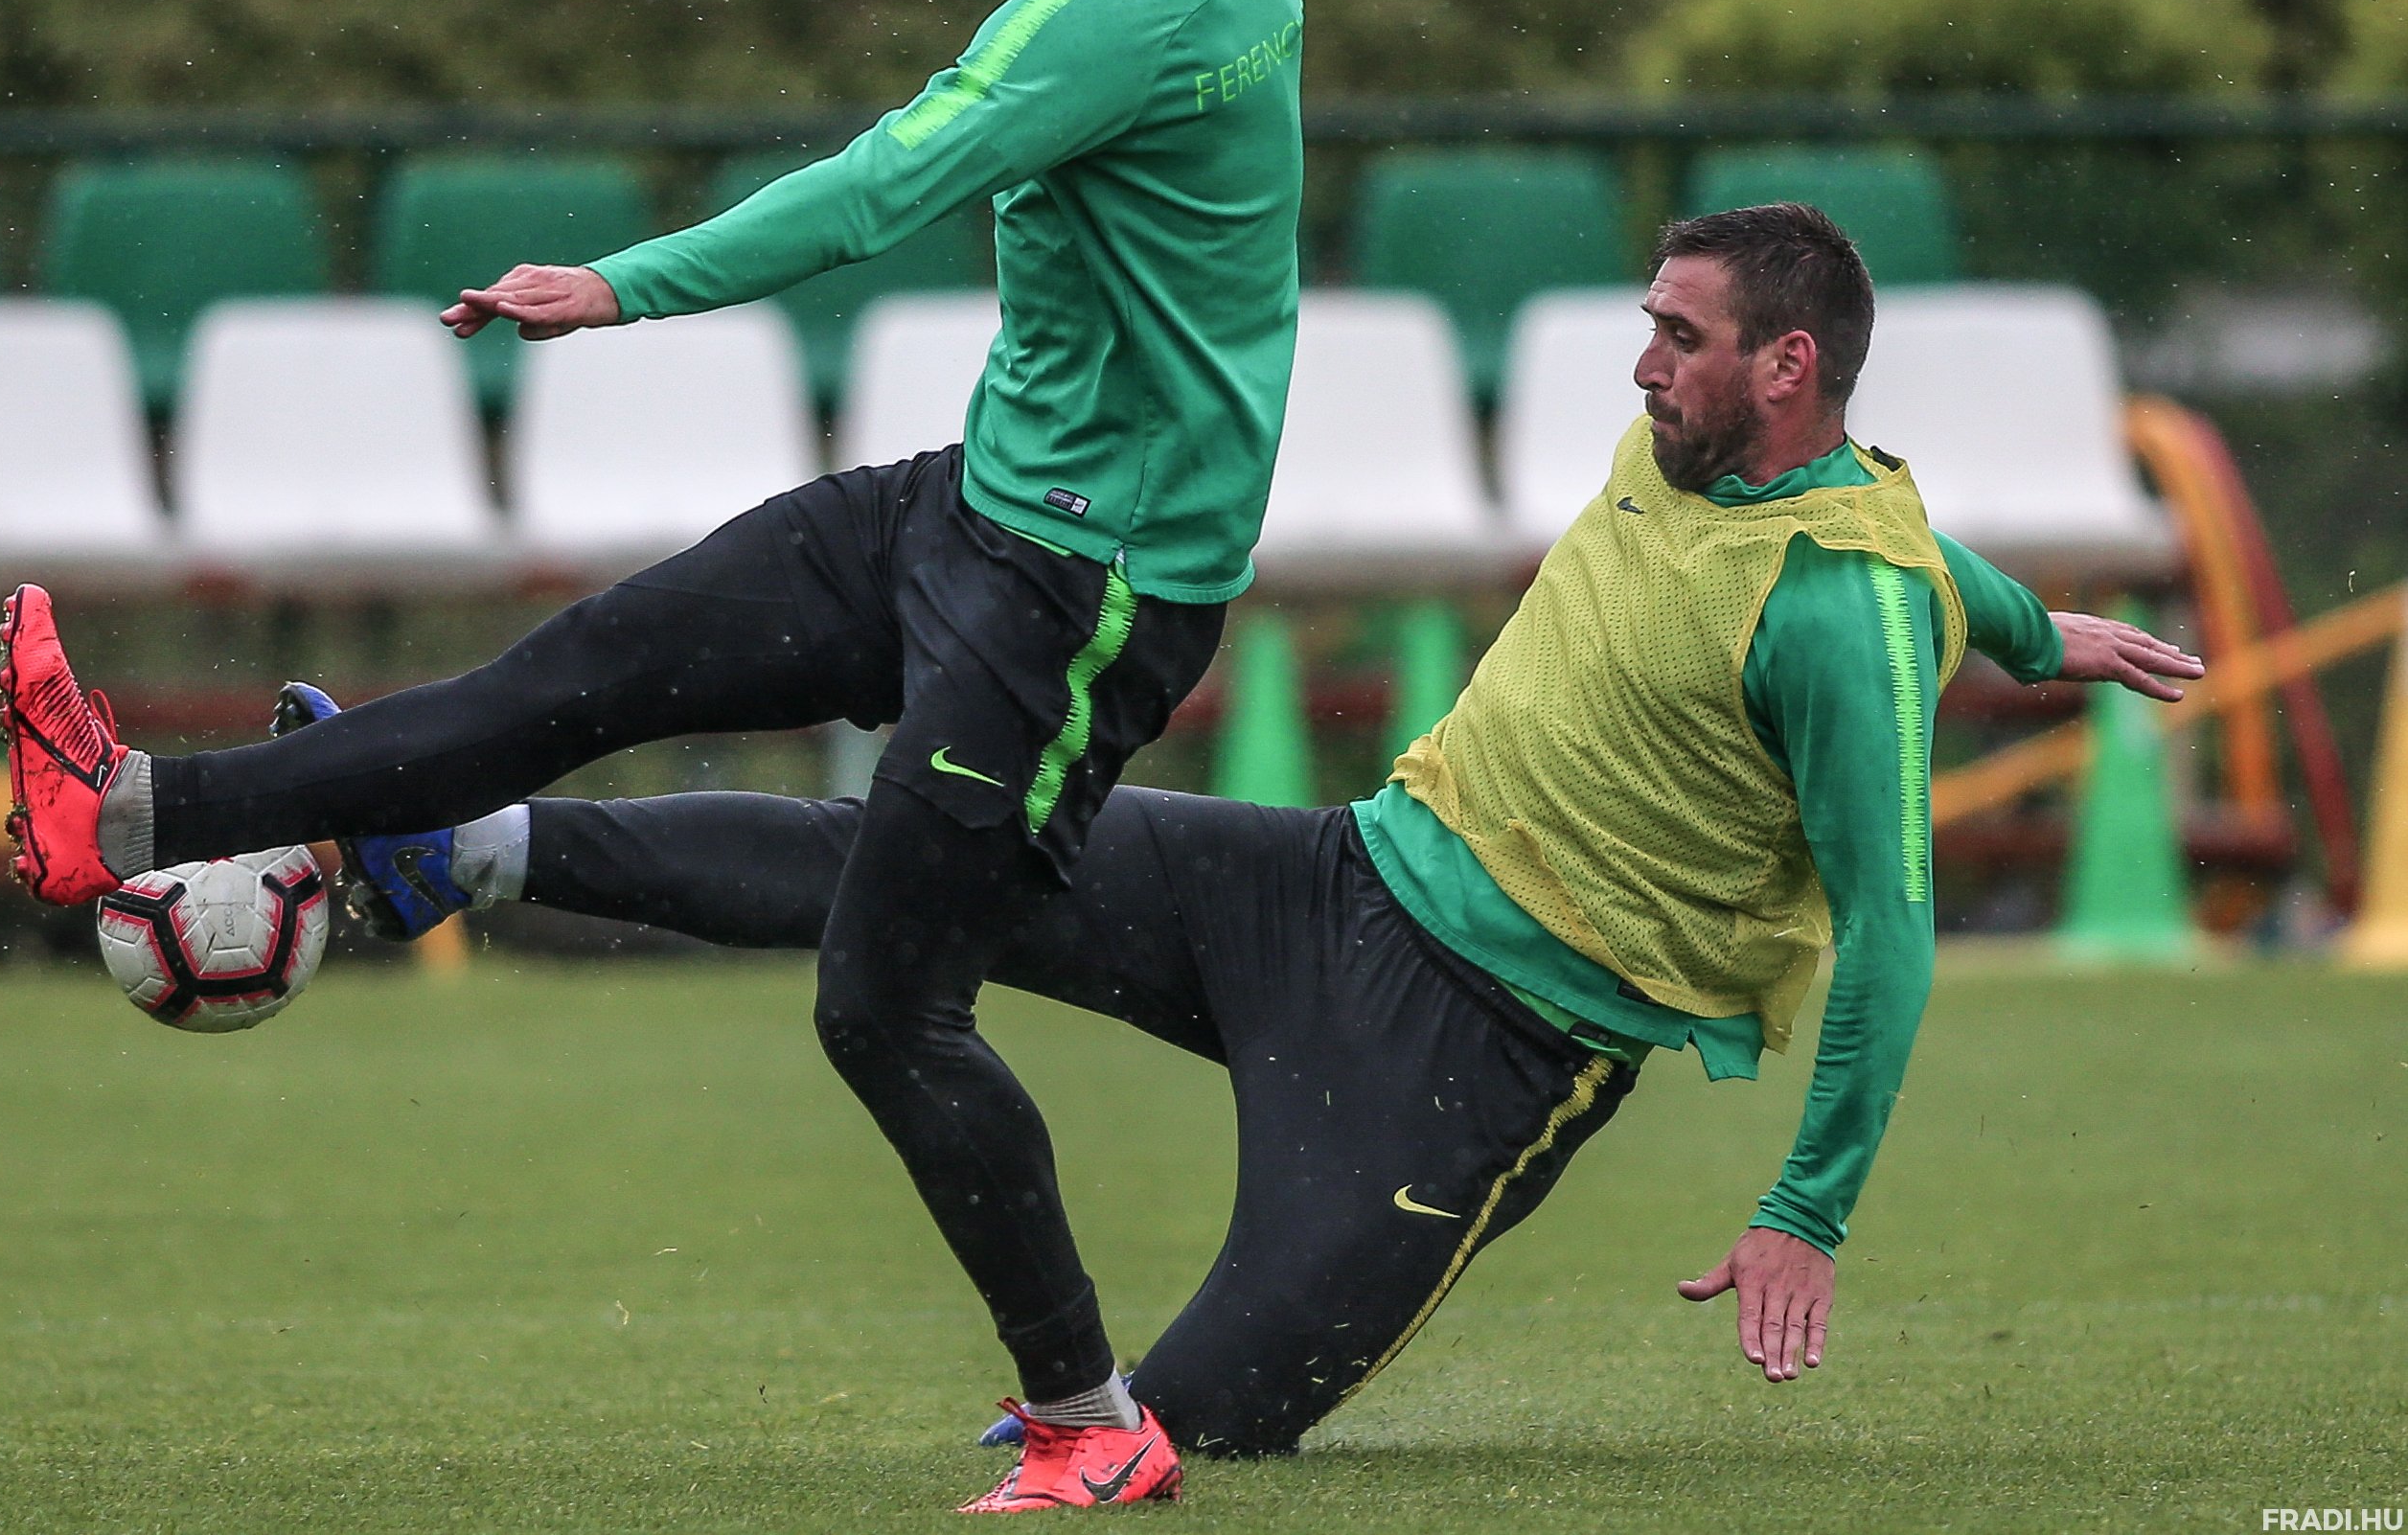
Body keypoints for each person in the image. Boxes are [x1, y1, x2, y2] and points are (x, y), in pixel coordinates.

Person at [0, 0, 1300, 1512]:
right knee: (576, 679)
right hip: (975, 508)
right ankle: (125, 811)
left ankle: (1091, 1420)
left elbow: (875, 188)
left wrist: (624, 285)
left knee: (886, 1003)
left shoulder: (1116, 3)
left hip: (1089, 595)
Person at [286, 203, 2197, 1470]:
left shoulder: (1840, 616)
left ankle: (1126, 1415)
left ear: (1786, 368)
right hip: (1331, 884)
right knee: (910, 855)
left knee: (1190, 1432)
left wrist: (1804, 1210)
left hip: (1482, 1056)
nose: (1640, 365)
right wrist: (2038, 631)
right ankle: (467, 849)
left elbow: (1890, 921)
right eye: (1646, 326)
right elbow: (1917, 546)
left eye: (1678, 338)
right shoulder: (1720, 458)